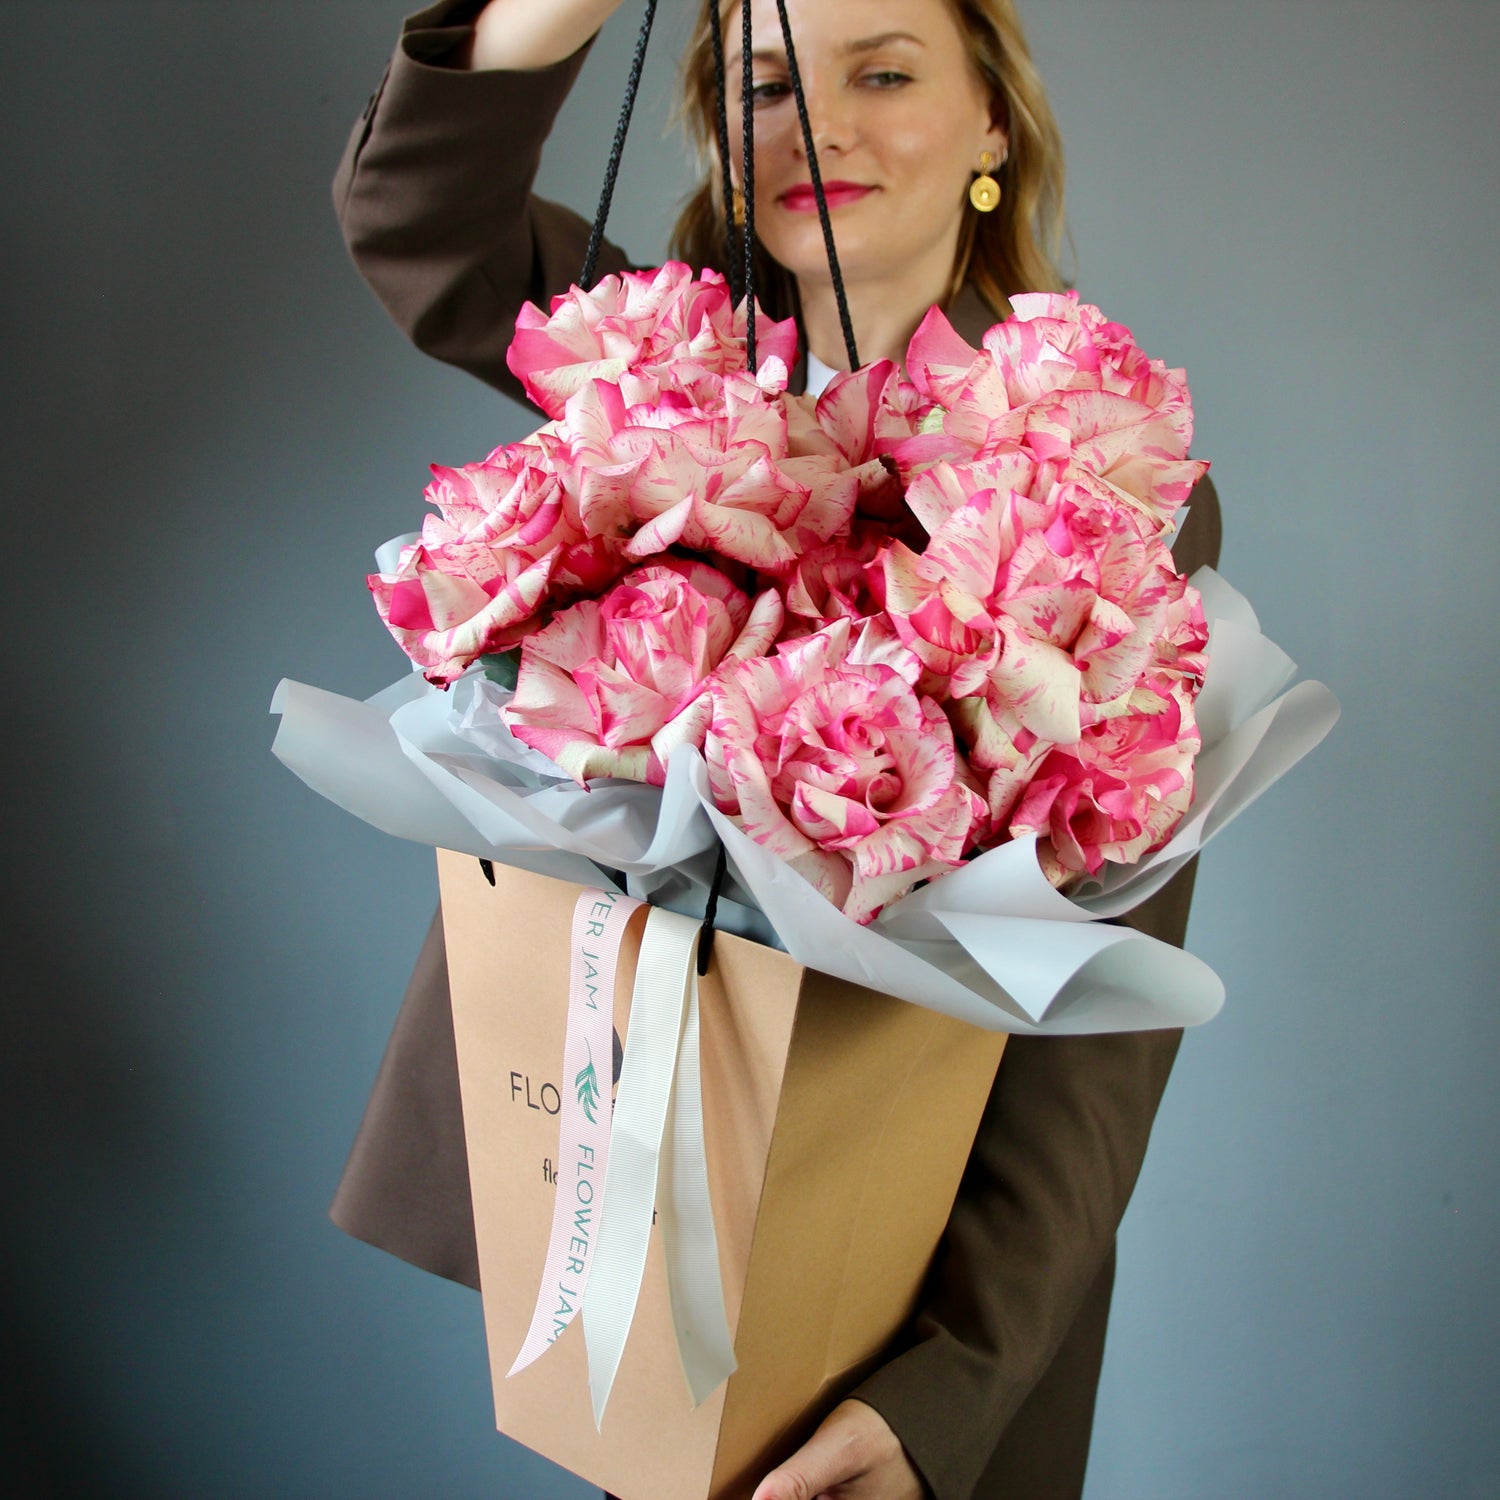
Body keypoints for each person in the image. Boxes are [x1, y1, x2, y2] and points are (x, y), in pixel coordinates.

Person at [330, 3, 1223, 1497]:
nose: (825, 124)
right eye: (764, 83)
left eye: (883, 71)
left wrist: (947, 1389)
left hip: (923, 1247)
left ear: (994, 123)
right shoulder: (658, 367)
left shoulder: (1101, 460)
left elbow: (1102, 1009)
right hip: (650, 1208)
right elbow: (419, 215)